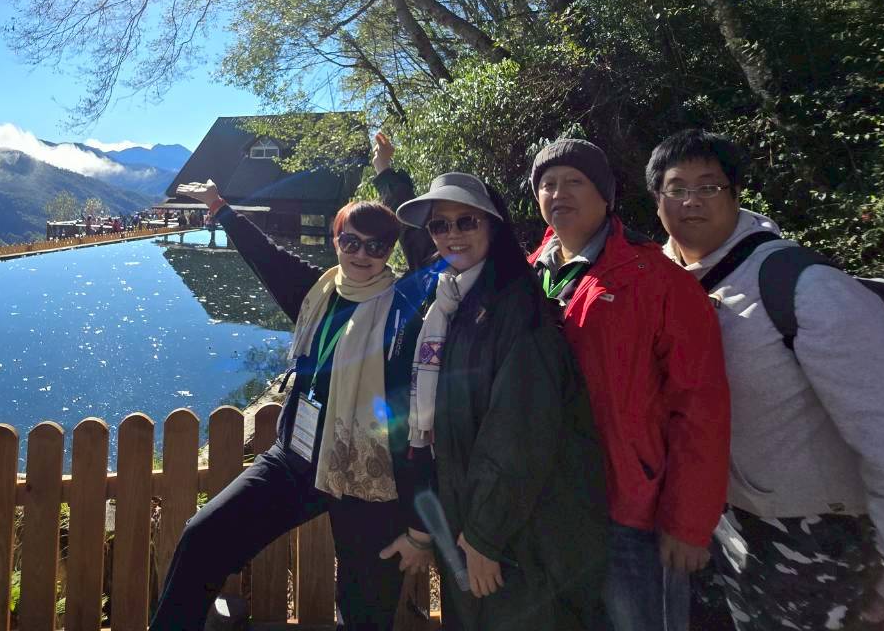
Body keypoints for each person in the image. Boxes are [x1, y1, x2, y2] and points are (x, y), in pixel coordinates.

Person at [152, 168, 443, 631]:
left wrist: (420, 526)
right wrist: (219, 207)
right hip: (298, 459)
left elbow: (420, 421)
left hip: (369, 476)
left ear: (389, 250)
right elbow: (266, 256)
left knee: (365, 610)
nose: (362, 254)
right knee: (203, 538)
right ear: (336, 241)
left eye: (376, 246)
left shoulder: (406, 310)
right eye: (351, 242)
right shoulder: (317, 293)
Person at [648, 128, 884, 631]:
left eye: (709, 186)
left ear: (736, 193)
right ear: (657, 201)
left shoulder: (803, 286)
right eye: (676, 188)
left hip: (825, 539)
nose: (691, 201)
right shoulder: (658, 286)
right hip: (727, 531)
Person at [392, 170, 609, 630]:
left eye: (466, 221)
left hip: (518, 533)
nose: (452, 234)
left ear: (493, 226)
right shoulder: (449, 299)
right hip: (464, 509)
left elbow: (519, 433)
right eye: (440, 224)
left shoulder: (518, 308)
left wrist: (484, 536)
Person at [528, 138, 730, 631]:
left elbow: (700, 405)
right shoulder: (531, 274)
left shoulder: (657, 279)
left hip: (633, 511)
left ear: (606, 195)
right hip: (555, 502)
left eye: (575, 181)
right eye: (548, 184)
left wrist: (688, 522)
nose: (559, 193)